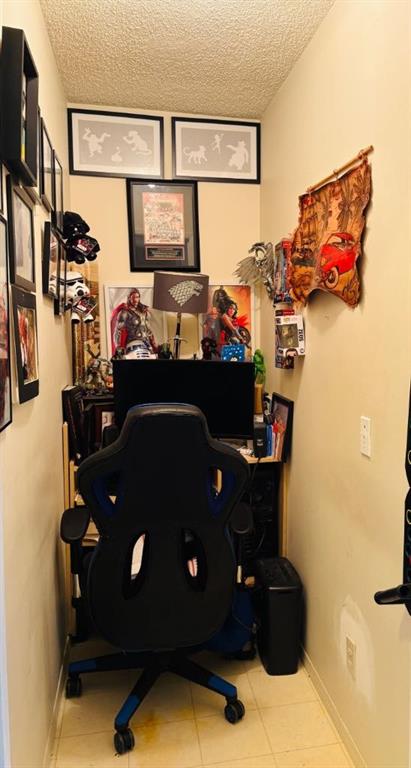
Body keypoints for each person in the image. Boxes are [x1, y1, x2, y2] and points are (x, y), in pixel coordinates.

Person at [111, 289, 157, 358]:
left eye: (137, 297)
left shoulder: (143, 311)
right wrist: (118, 347)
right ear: (129, 298)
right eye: (133, 297)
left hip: (147, 345)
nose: (135, 300)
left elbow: (148, 330)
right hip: (132, 344)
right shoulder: (125, 312)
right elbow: (118, 330)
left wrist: (153, 344)